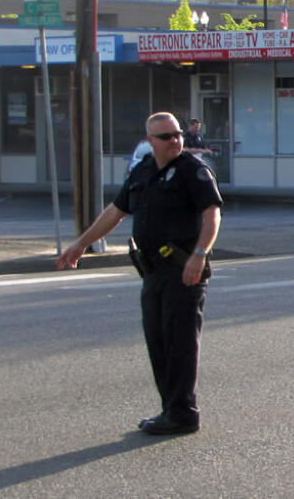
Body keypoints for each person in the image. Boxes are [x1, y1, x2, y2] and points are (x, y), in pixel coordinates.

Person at [56, 112, 222, 436]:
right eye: (166, 136)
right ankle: (170, 409)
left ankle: (183, 413)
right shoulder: (142, 172)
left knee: (180, 343)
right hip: (152, 270)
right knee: (158, 340)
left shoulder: (193, 170)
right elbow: (116, 211)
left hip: (183, 268)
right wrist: (80, 244)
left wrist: (200, 255)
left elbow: (212, 214)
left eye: (177, 134)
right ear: (150, 141)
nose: (175, 140)